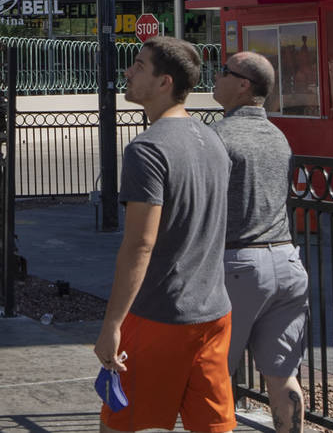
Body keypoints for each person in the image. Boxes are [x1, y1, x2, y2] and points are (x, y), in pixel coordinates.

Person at [94, 36, 235, 433]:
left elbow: (140, 244)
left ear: (164, 82)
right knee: (211, 427)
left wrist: (112, 326)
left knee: (123, 425)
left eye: (138, 65)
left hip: (160, 314)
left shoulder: (147, 149)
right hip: (214, 311)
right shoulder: (213, 139)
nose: (127, 71)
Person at [212, 52, 308, 433]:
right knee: (283, 374)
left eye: (223, 72)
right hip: (287, 262)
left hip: (238, 264)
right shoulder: (278, 136)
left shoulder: (219, 136)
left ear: (243, 85)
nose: (216, 78)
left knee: (214, 373)